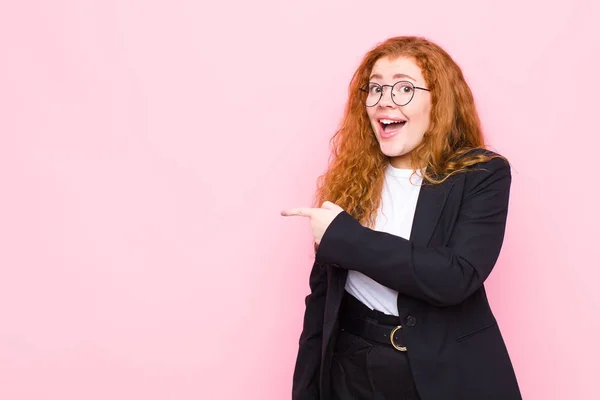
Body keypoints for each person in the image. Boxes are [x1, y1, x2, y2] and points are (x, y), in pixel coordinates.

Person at [280, 36, 522, 400]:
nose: (384, 100)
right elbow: (321, 305)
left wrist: (345, 239)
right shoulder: (352, 179)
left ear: (439, 102)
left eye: (404, 88)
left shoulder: (483, 174)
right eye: (375, 88)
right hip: (352, 369)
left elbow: (455, 276)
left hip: (443, 371)